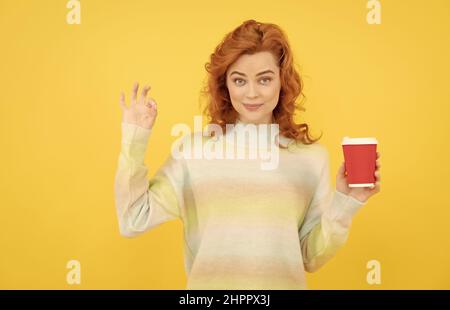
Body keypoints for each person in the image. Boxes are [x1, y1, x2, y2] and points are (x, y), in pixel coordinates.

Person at [114, 19, 381, 289]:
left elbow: (310, 258)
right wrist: (134, 138)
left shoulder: (311, 159)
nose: (252, 93)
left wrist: (345, 204)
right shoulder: (192, 153)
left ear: (282, 81)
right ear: (225, 86)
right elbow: (133, 219)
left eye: (264, 79)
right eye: (239, 80)